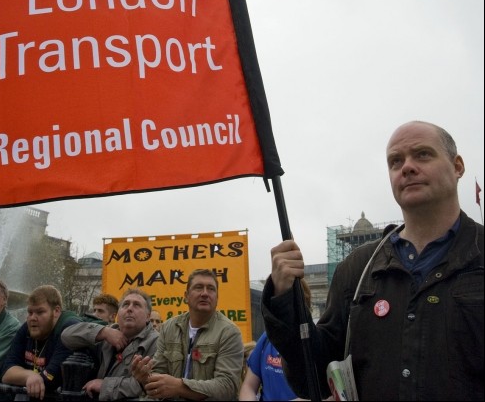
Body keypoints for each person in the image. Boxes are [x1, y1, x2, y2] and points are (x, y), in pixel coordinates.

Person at [262, 120, 484, 401]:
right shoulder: (357, 269)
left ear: (457, 166)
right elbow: (314, 378)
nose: (407, 166)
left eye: (423, 154)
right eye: (395, 161)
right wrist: (285, 300)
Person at [132, 268, 244, 400]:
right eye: (198, 287)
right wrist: (145, 378)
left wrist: (180, 387)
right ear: (186, 296)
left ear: (217, 297)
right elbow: (159, 371)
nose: (205, 293)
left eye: (211, 289)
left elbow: (227, 386)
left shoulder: (229, 332)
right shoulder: (169, 327)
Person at [61, 289, 158, 400]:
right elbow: (66, 336)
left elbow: (149, 384)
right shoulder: (106, 333)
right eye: (125, 305)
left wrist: (105, 385)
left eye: (137, 305)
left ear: (147, 316)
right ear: (118, 314)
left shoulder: (156, 342)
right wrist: (103, 332)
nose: (130, 308)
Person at [1, 284, 81, 400]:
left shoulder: (68, 329)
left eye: (40, 312)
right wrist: (30, 375)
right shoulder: (28, 327)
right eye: (30, 312)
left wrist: (23, 376)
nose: (33, 318)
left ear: (56, 311)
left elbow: (50, 379)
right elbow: (6, 373)